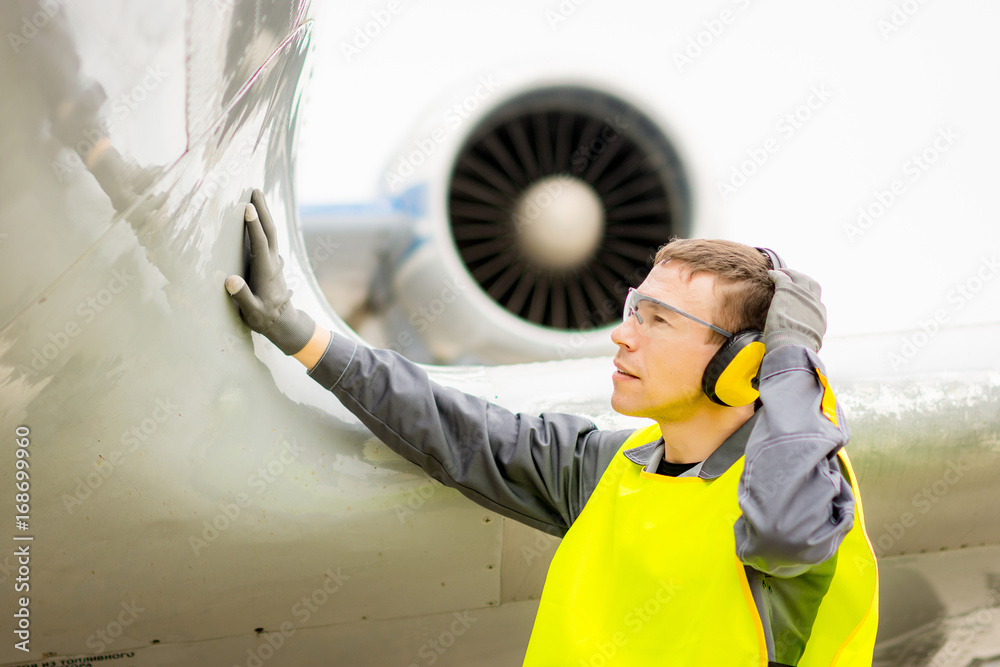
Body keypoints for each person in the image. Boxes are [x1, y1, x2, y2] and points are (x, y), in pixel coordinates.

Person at [225, 189, 879, 666]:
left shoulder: (811, 501)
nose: (622, 335)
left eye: (657, 319)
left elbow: (778, 527)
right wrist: (301, 332)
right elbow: (455, 427)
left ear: (744, 362)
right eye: (633, 308)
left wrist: (792, 359)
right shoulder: (609, 472)